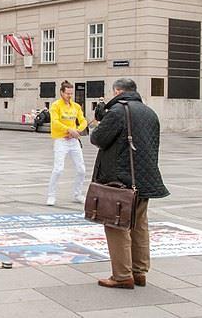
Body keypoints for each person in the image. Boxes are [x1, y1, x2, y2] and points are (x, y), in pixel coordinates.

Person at [91, 78, 169, 289]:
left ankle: (122, 275)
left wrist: (100, 121)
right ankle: (139, 271)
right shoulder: (149, 112)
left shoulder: (118, 111)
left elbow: (98, 138)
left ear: (117, 91)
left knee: (117, 225)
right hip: (145, 179)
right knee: (139, 225)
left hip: (121, 179)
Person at [46, 80, 88, 206]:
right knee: (58, 169)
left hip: (74, 140)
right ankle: (51, 195)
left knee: (81, 169)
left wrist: (77, 131)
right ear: (61, 93)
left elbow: (83, 121)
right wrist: (68, 129)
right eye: (67, 93)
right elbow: (55, 121)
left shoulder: (76, 106)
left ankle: (78, 194)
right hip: (61, 140)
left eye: (71, 93)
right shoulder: (55, 106)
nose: (69, 96)